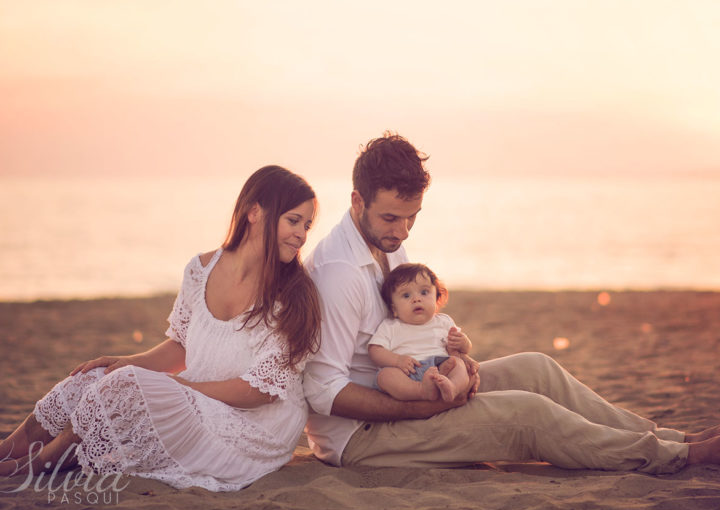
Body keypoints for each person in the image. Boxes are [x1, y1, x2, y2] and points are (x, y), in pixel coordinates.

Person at [303, 132, 720, 473]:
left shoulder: (386, 243)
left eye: (413, 216)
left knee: (536, 368)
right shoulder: (339, 273)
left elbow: (409, 329)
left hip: (418, 388)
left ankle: (669, 437)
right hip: (361, 436)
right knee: (528, 413)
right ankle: (677, 457)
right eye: (392, 217)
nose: (404, 231)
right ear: (358, 201)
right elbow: (324, 392)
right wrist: (417, 408)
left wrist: (459, 367)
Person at [0, 166, 321, 491]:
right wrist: (126, 361)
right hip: (201, 401)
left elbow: (260, 392)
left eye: (307, 225)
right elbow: (180, 346)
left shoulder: (292, 295)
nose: (302, 234)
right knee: (96, 377)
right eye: (293, 221)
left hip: (256, 428)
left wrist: (177, 388)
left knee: (125, 387)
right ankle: (8, 450)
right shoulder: (200, 270)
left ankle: (33, 466)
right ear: (254, 212)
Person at [368, 262, 473, 402]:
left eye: (424, 292)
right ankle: (421, 390)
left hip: (440, 367)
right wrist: (397, 360)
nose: (417, 299)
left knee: (458, 364)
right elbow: (375, 350)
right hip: (406, 373)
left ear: (436, 298)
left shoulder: (443, 322)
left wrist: (463, 342)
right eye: (406, 295)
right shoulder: (390, 326)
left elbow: (463, 349)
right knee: (385, 376)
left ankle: (452, 387)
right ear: (394, 308)